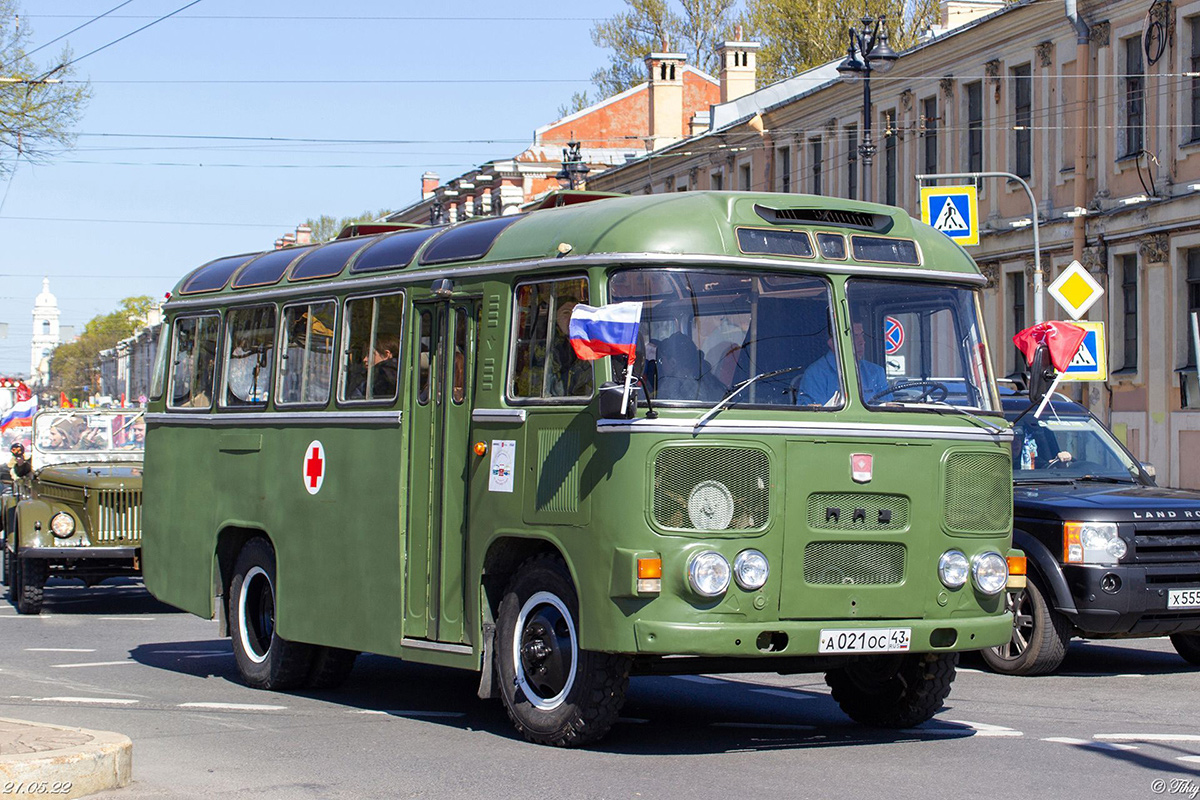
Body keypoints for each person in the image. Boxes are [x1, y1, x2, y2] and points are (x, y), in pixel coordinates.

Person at [796, 321, 888, 405]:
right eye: (854, 336)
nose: (862, 342)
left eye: (862, 335)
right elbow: (814, 415)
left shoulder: (876, 372)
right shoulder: (815, 374)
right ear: (832, 343)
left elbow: (888, 409)